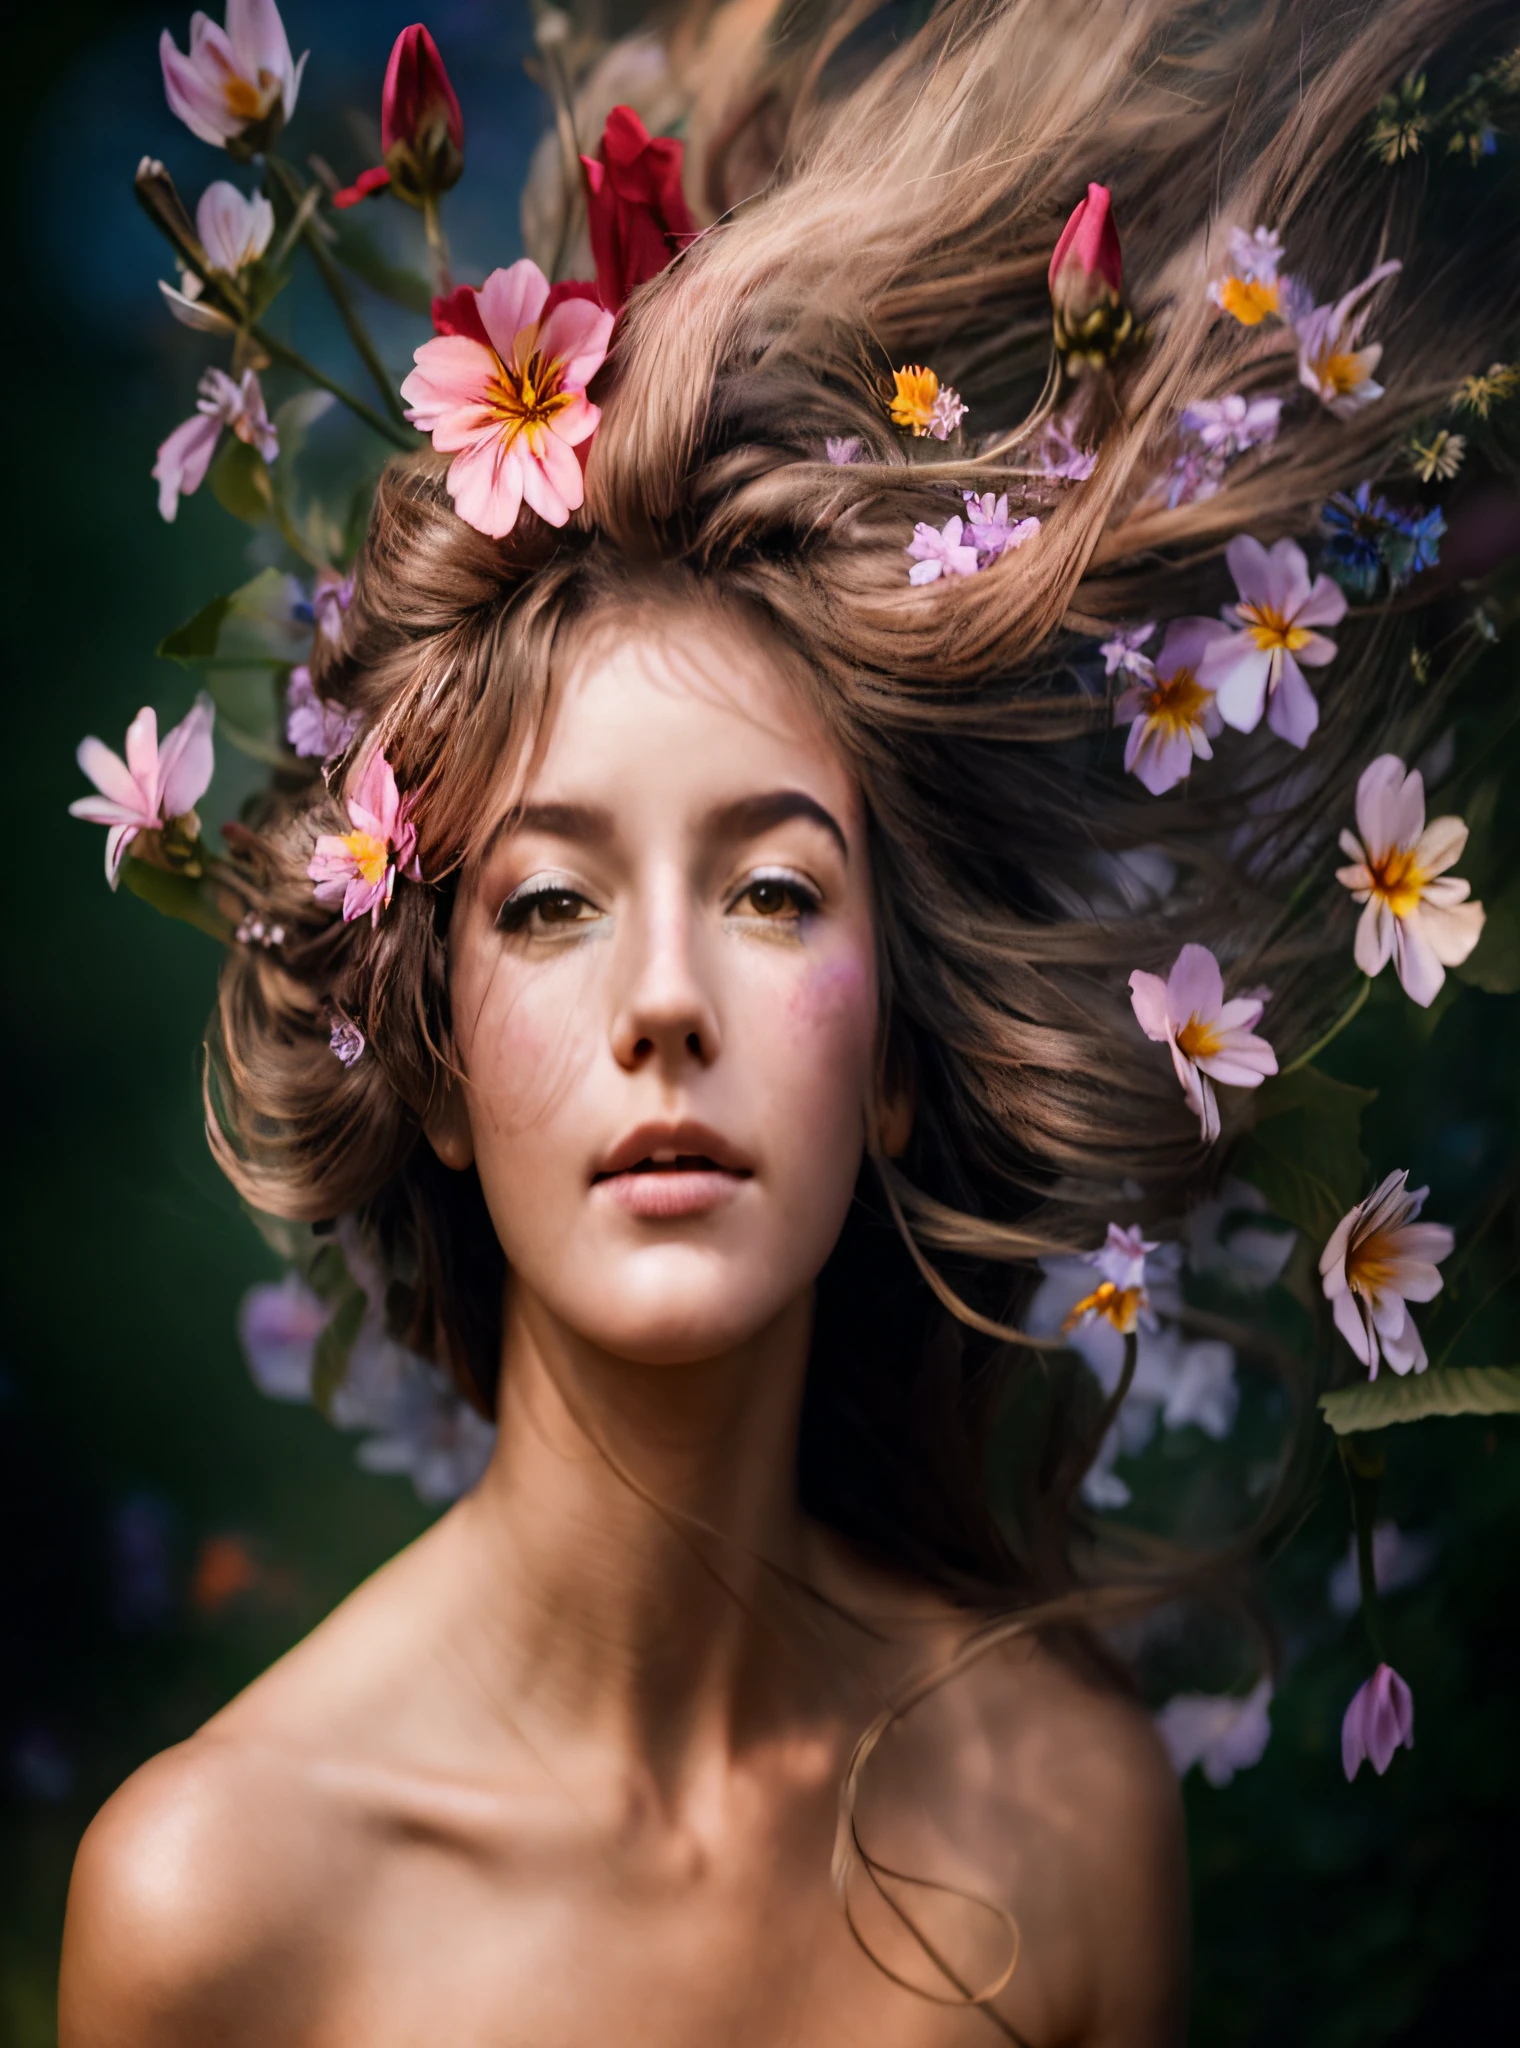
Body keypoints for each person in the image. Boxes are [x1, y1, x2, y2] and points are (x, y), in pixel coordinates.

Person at [57, 0, 1515, 2041]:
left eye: (768, 892)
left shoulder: (1067, 1826)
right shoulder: (219, 1904)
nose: (667, 1003)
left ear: (901, 1061)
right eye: (552, 903)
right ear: (440, 1057)